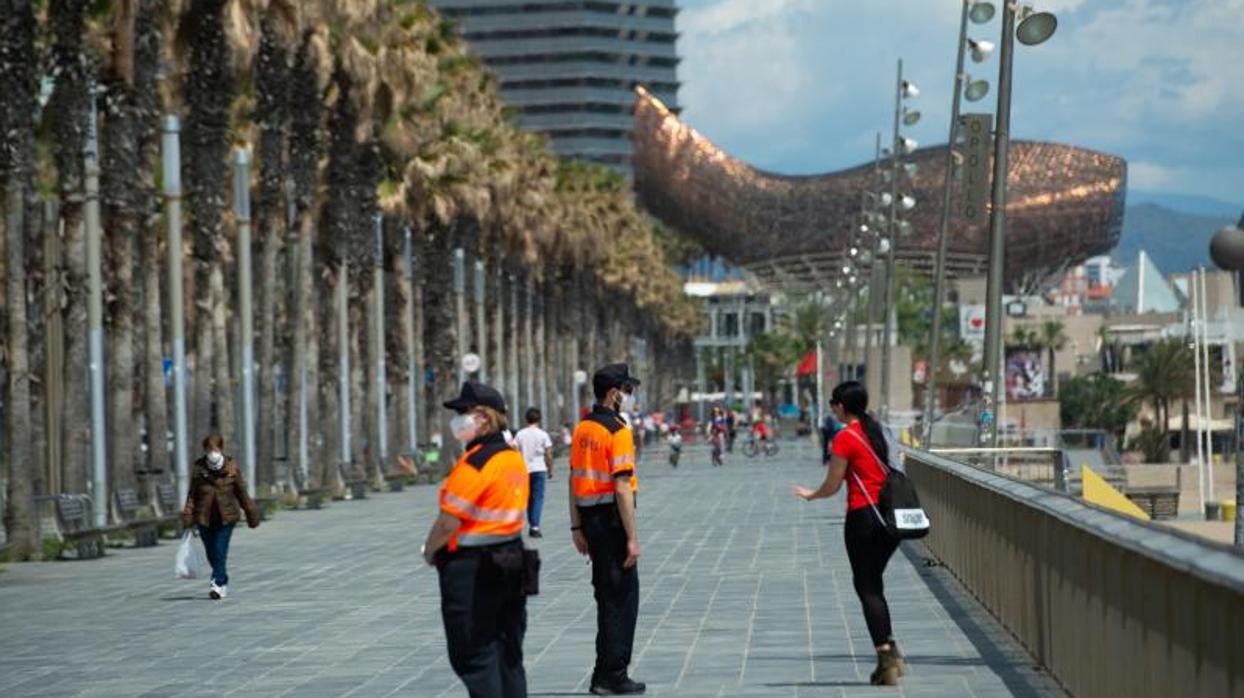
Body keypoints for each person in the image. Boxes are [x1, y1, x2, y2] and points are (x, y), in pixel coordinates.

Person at [792, 381, 905, 686]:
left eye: (833, 403)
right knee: (874, 584)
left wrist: (811, 495)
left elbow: (832, 485)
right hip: (892, 518)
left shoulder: (846, 438)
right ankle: (892, 650)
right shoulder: (881, 430)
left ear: (842, 406)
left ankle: (886, 659)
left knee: (866, 587)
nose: (832, 408)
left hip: (864, 517)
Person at [423, 381, 530, 697]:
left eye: (462, 412)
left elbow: (448, 521)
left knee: (474, 653)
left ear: (482, 417)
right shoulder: (512, 458)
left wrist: (429, 552)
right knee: (508, 650)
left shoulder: (476, 463)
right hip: (513, 555)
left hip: (474, 567)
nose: (457, 420)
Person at [569, 363, 646, 695]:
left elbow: (573, 480)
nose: (629, 397)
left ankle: (603, 673)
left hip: (590, 522)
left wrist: (575, 526)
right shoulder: (617, 430)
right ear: (614, 394)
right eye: (627, 391)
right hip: (613, 523)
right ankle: (613, 674)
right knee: (622, 599)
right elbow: (621, 487)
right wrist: (632, 537)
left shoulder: (582, 428)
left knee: (606, 597)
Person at [181, 434, 260, 600]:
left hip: (226, 517)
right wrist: (188, 516)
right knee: (211, 553)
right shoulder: (199, 468)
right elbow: (192, 495)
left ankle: (216, 583)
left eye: (215, 449)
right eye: (209, 449)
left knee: (219, 550)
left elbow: (242, 493)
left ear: (221, 449)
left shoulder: (231, 468)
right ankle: (222, 579)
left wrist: (251, 514)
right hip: (204, 517)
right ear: (205, 450)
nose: (212, 452)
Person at [514, 407, 554, 538]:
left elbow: (514, 450)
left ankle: (517, 525)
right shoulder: (543, 434)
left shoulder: (520, 434)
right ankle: (534, 526)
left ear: (526, 419)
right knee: (537, 498)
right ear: (539, 419)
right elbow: (549, 454)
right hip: (539, 469)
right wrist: (550, 469)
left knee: (523, 498)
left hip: (523, 469)